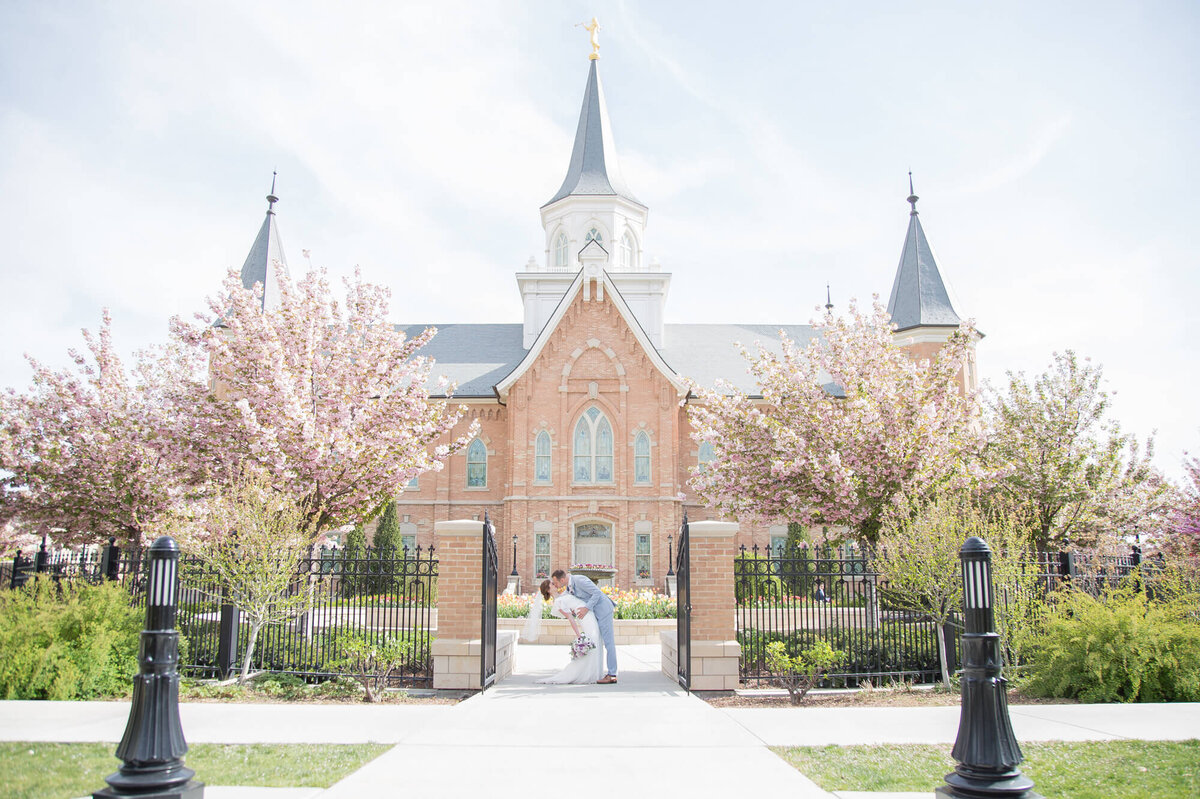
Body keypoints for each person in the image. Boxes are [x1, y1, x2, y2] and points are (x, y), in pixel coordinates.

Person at [527, 579, 605, 685]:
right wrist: (579, 636)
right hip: (585, 618)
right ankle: (586, 674)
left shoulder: (564, 594)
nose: (555, 585)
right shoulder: (558, 602)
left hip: (588, 614)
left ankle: (594, 673)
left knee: (596, 641)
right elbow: (570, 618)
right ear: (548, 590)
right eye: (552, 584)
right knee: (593, 641)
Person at [552, 568, 618, 683]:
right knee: (599, 642)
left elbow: (597, 592)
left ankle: (612, 675)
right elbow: (563, 599)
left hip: (603, 610)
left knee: (609, 642)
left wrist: (586, 608)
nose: (556, 585)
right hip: (594, 614)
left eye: (556, 583)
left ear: (562, 580)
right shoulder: (569, 587)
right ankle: (601, 671)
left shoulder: (579, 580)